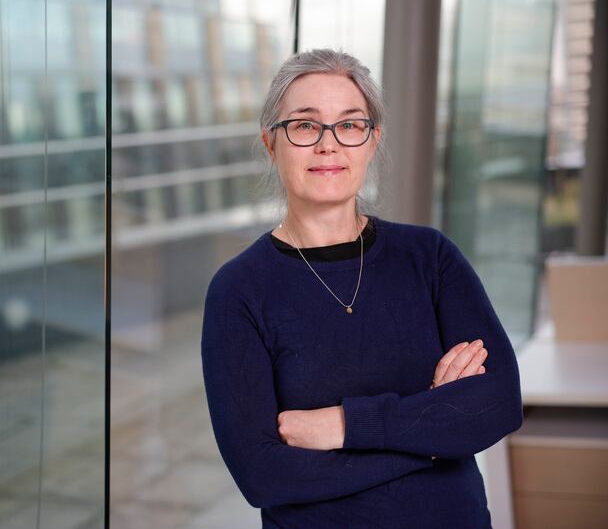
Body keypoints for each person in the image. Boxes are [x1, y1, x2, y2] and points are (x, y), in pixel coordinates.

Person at [200, 49, 523, 528]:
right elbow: (263, 475)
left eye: (350, 125)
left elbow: (498, 404)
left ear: (372, 141)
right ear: (271, 143)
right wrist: (433, 434)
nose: (328, 145)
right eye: (305, 125)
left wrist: (345, 425)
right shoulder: (239, 290)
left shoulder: (429, 257)